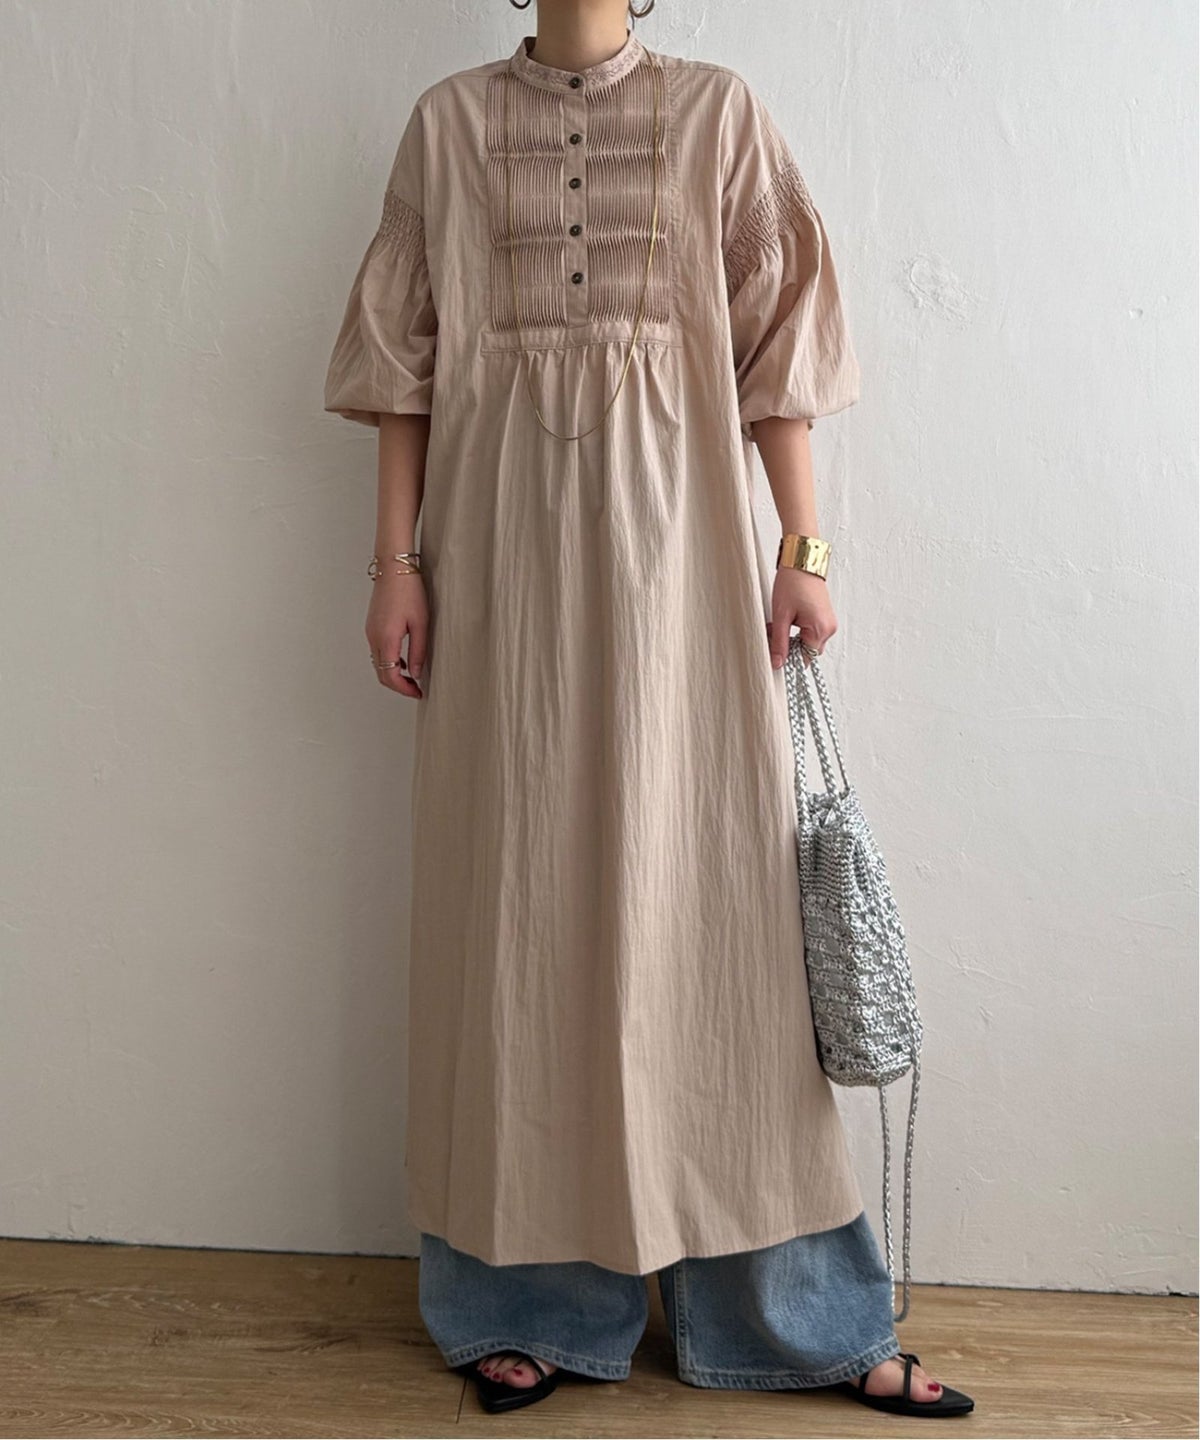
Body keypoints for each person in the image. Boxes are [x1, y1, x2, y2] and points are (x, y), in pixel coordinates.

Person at [322, 0, 974, 1419]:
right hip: (497, 574)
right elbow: (401, 370)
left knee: (721, 931)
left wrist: (805, 548)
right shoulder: (447, 125)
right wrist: (395, 567)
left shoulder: (718, 112)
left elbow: (777, 354)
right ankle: (525, 1303)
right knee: (514, 924)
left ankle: (797, 1314)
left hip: (685, 570)